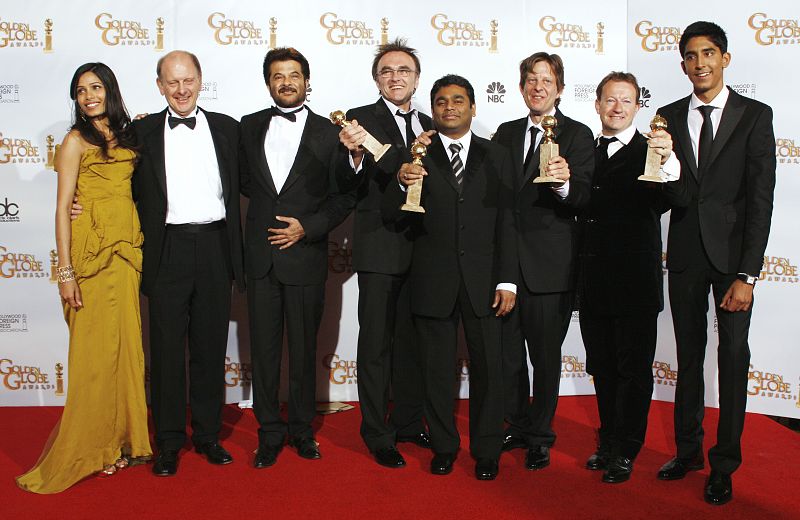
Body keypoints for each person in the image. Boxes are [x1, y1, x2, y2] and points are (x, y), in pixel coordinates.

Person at [16, 62, 152, 493]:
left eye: (95, 87)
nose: (89, 96)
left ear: (110, 90)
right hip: (89, 256)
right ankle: (94, 449)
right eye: (80, 90)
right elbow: (62, 208)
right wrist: (65, 272)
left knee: (125, 351)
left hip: (125, 253)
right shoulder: (74, 141)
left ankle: (123, 441)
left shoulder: (130, 135)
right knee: (93, 359)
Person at [655, 21, 775, 505]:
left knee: (732, 359)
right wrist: (664, 170)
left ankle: (724, 464)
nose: (699, 63)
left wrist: (748, 274)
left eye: (708, 53)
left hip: (732, 263)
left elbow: (760, 200)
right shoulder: (666, 117)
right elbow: (669, 194)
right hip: (685, 255)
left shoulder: (755, 115)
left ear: (724, 58)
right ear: (682, 63)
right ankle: (688, 452)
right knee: (688, 359)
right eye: (690, 55)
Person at [388, 74, 517, 481]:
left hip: (486, 281)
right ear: (433, 109)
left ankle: (487, 451)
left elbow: (508, 220)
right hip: (433, 279)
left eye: (458, 100)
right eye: (441, 101)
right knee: (437, 372)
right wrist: (401, 182)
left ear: (473, 107)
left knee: (489, 371)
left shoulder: (497, 155)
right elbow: (396, 214)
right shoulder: (416, 155)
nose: (450, 107)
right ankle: (443, 446)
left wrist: (507, 280)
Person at [239, 47, 352, 468]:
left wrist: (308, 226)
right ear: (268, 83)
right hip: (262, 259)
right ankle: (269, 432)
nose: (286, 82)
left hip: (305, 256)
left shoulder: (330, 132)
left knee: (304, 351)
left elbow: (345, 196)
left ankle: (302, 431)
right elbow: (240, 181)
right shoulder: (248, 126)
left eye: (293, 75)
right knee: (264, 353)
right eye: (277, 76)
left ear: (307, 81)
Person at [135, 50, 244, 476]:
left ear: (200, 81)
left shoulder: (228, 128)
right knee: (165, 350)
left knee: (209, 347)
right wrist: (80, 206)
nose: (181, 90)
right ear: (159, 86)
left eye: (188, 80)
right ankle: (168, 441)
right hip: (166, 248)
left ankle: (207, 435)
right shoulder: (140, 132)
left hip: (216, 245)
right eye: (172, 82)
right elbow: (115, 185)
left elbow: (259, 182)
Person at [492, 52, 594, 470]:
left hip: (551, 269)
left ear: (560, 89)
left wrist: (563, 184)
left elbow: (583, 198)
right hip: (506, 266)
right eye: (531, 80)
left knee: (545, 358)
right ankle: (516, 424)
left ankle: (540, 435)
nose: (538, 87)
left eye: (546, 80)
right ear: (521, 88)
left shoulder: (578, 134)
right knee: (508, 356)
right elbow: (497, 198)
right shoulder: (505, 133)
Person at [578, 71, 679, 484]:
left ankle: (626, 449)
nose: (617, 107)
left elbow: (672, 197)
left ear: (638, 107)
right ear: (597, 104)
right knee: (602, 368)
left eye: (626, 100)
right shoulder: (584, 150)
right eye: (610, 99)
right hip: (592, 282)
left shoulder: (651, 150)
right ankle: (608, 441)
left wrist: (668, 161)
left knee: (633, 372)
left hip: (635, 284)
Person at [337, 38, 432, 468]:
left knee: (414, 343)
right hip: (379, 247)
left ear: (417, 78)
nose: (396, 77)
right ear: (376, 80)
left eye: (404, 70)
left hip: (426, 249)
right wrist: (354, 156)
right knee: (376, 344)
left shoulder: (432, 122)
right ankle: (377, 432)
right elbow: (347, 183)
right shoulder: (359, 122)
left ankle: (409, 422)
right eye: (387, 71)